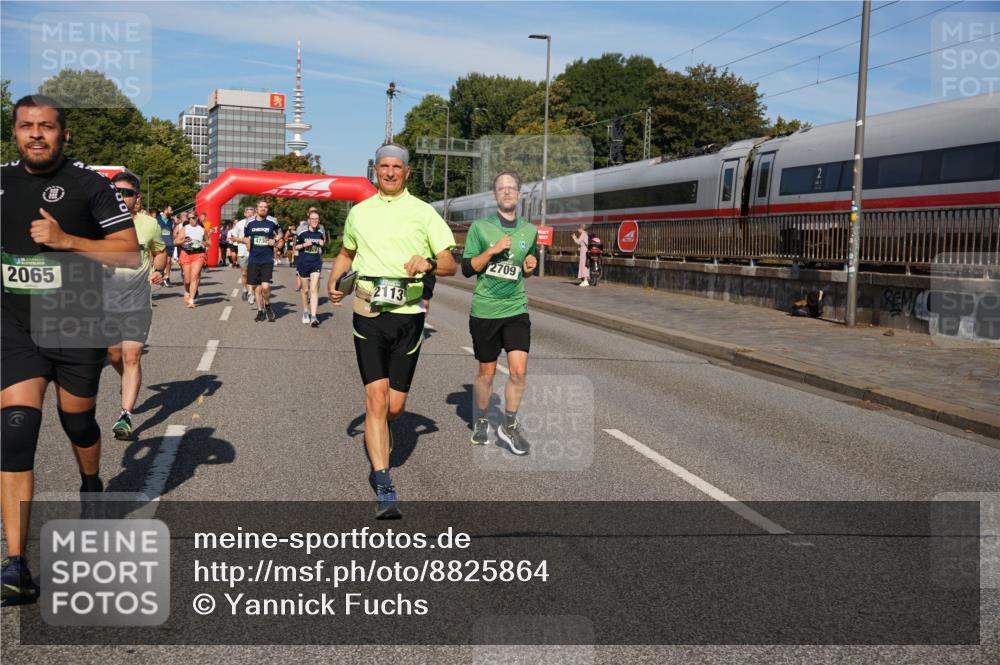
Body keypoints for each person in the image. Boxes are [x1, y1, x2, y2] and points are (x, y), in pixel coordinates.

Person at [1, 95, 140, 606]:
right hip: (14, 326)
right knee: (16, 430)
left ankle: (90, 482)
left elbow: (129, 252)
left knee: (77, 422)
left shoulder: (89, 185)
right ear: (15, 132)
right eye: (26, 126)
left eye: (46, 126)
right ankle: (16, 564)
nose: (36, 134)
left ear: (64, 134)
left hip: (76, 320)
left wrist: (66, 241)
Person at [328, 142, 456, 519]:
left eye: (396, 167)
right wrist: (334, 281)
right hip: (368, 313)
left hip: (409, 316)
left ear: (407, 172)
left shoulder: (423, 212)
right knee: (375, 399)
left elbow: (450, 263)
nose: (389, 172)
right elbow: (347, 253)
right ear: (375, 170)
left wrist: (428, 262)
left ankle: (382, 431)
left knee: (394, 408)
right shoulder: (359, 212)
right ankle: (384, 483)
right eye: (383, 166)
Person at [462, 170, 537, 455]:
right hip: (485, 309)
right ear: (494, 194)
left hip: (516, 307)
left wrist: (529, 268)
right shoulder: (480, 228)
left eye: (512, 188)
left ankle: (509, 424)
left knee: (519, 371)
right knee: (487, 373)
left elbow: (525, 269)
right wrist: (492, 250)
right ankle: (482, 418)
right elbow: (467, 268)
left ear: (519, 194)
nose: (507, 192)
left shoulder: (529, 231)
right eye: (502, 188)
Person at [105, 172, 167, 440]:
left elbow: (160, 252)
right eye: (115, 192)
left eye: (126, 193)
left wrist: (158, 269)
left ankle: (125, 416)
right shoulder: (97, 222)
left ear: (137, 198)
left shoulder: (149, 225)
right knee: (114, 355)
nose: (120, 197)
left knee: (131, 357)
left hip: (136, 300)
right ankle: (127, 380)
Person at [244, 200, 281, 322]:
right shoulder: (249, 222)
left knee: (265, 286)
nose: (263, 209)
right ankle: (260, 311)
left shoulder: (272, 221)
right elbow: (246, 236)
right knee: (257, 287)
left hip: (267, 258)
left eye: (265, 207)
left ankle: (268, 305)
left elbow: (280, 233)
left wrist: (275, 240)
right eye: (261, 207)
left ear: (267, 209)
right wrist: (246, 241)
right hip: (254, 258)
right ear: (257, 208)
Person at [295, 210, 325, 326]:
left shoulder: (320, 232)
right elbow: (295, 247)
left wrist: (322, 244)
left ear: (319, 220)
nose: (314, 221)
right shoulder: (302, 232)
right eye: (312, 219)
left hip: (316, 264)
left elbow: (322, 245)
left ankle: (313, 316)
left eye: (316, 219)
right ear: (309, 220)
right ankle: (305, 312)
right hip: (303, 264)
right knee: (305, 290)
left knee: (313, 289)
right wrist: (304, 245)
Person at [174, 208, 207, 307]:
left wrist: (204, 244)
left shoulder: (202, 229)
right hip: (186, 254)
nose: (191, 220)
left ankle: (191, 300)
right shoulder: (185, 228)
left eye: (193, 218)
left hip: (199, 255)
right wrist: (184, 241)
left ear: (197, 218)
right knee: (187, 280)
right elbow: (176, 241)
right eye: (189, 218)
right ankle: (187, 291)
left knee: (194, 277)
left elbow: (208, 241)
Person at [231, 206, 254, 303]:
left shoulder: (257, 224)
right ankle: (245, 290)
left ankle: (251, 292)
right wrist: (243, 240)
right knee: (244, 273)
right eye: (248, 212)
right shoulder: (239, 224)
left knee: (252, 273)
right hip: (242, 252)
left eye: (251, 212)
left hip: (254, 252)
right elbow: (234, 237)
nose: (250, 214)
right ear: (245, 214)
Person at [156, 205, 174, 285]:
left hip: (169, 243)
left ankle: (167, 277)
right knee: (161, 262)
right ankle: (160, 276)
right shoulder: (157, 219)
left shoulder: (170, 220)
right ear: (166, 210)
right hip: (160, 243)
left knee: (168, 261)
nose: (172, 211)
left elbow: (171, 231)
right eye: (170, 210)